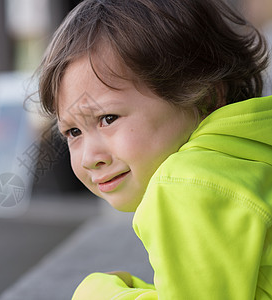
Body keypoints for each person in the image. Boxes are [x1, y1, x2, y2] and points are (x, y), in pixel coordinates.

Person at [36, 0, 272, 299]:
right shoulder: (252, 150)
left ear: (203, 96)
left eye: (108, 118)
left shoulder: (186, 185)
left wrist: (100, 294)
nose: (89, 158)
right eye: (73, 132)